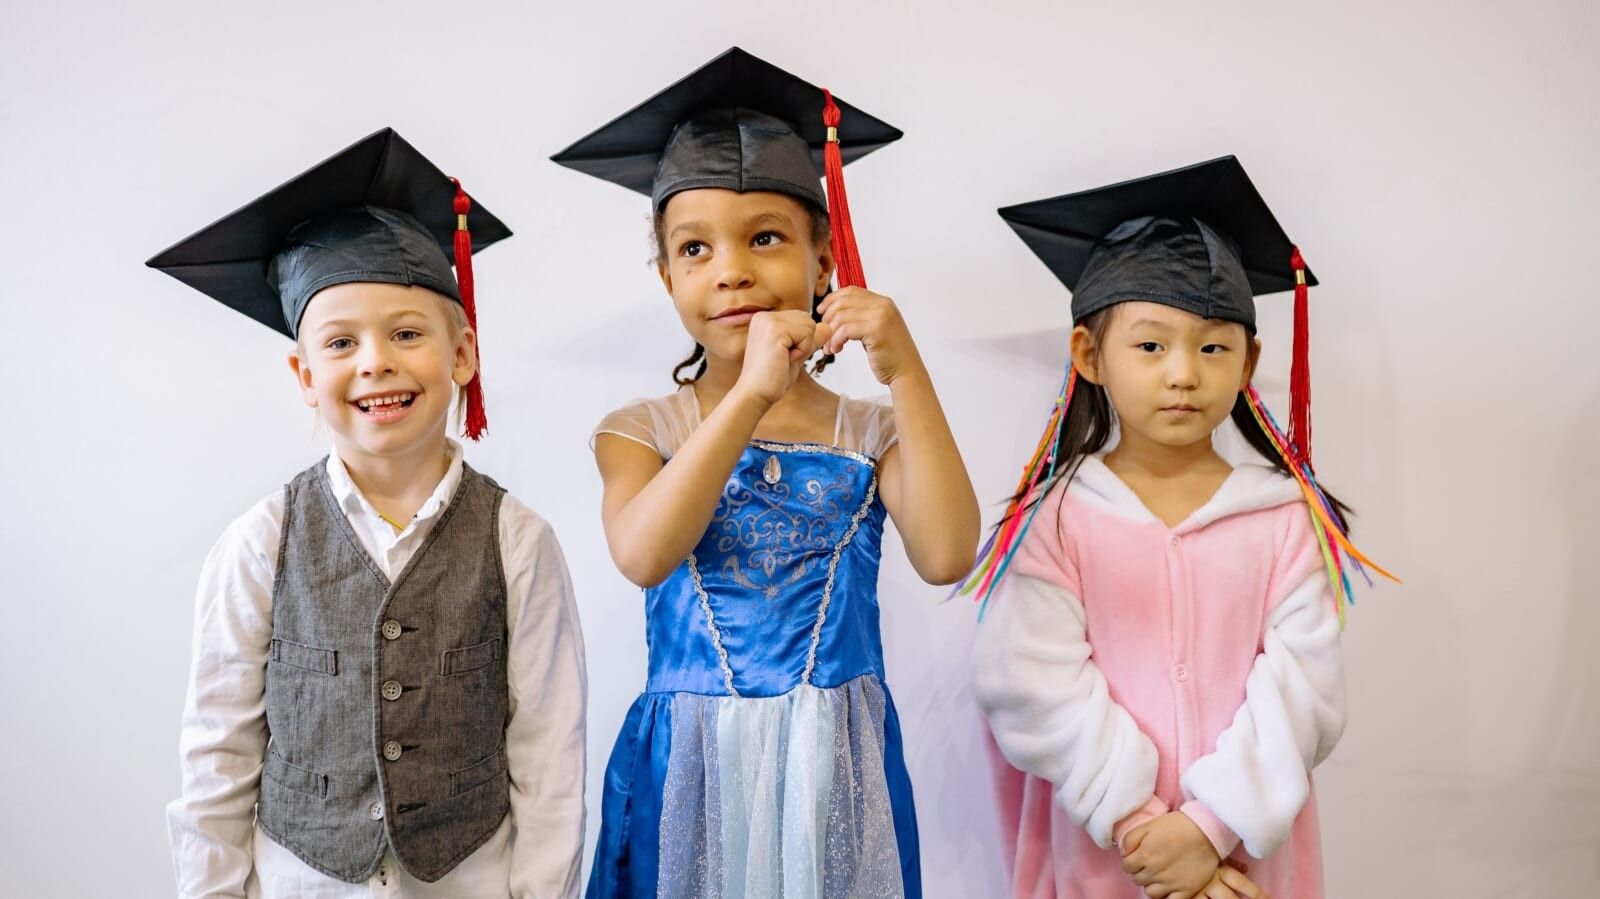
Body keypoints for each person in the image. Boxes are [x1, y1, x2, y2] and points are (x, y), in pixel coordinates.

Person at [552, 47, 980, 898]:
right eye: (695, 248)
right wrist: (748, 394)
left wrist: (908, 373)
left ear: (824, 261)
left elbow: (947, 552)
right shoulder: (642, 429)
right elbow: (643, 554)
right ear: (667, 274)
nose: (731, 269)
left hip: (835, 770)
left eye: (766, 238)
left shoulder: (870, 430)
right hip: (691, 767)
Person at [153, 127, 588, 898]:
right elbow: (217, 752)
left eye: (407, 333)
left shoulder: (518, 540)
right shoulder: (262, 541)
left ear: (462, 354)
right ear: (304, 372)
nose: (375, 361)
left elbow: (550, 753)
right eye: (341, 341)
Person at [969, 156, 1397, 899]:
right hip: (1106, 854)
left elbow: (1306, 690)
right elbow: (1027, 680)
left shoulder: (1282, 517)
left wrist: (1208, 828)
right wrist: (1144, 827)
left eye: (1212, 346)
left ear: (1249, 360)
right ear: (1088, 355)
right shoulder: (1061, 517)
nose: (1183, 373)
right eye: (1150, 344)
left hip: (1243, 860)